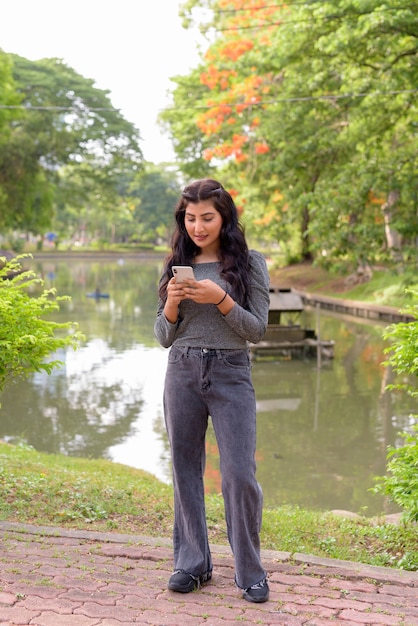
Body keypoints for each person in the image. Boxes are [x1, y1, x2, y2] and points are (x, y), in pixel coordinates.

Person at [154, 178, 270, 603]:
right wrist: (171, 303)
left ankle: (250, 572)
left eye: (207, 218)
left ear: (224, 218)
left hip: (230, 372)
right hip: (181, 370)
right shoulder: (174, 265)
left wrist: (220, 298)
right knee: (185, 471)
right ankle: (192, 563)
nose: (198, 227)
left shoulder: (250, 264)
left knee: (239, 475)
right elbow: (163, 335)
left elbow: (256, 330)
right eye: (190, 218)